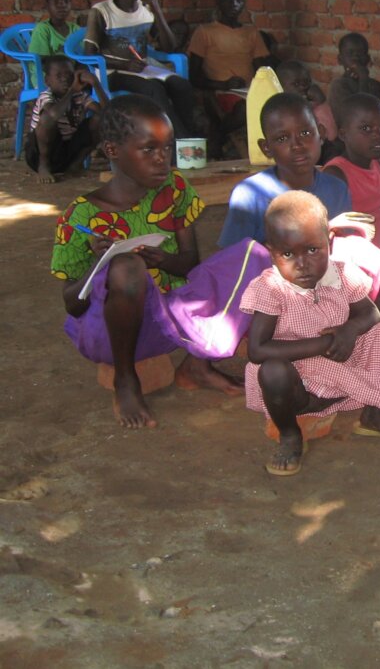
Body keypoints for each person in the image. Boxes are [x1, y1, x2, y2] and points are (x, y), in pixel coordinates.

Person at [51, 95, 270, 429]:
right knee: (126, 268)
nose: (161, 160)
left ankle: (197, 365)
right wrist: (101, 268)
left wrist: (164, 260)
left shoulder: (174, 188)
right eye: (148, 150)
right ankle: (126, 380)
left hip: (171, 323)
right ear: (113, 151)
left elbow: (190, 266)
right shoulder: (81, 215)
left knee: (254, 254)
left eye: (166, 148)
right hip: (109, 333)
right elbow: (72, 304)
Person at [242, 191, 380, 476]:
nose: (302, 264)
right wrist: (325, 343)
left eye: (313, 250)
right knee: (271, 371)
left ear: (328, 242)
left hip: (344, 365)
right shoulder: (271, 288)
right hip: (299, 380)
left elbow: (370, 313)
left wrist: (350, 331)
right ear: (271, 251)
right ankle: (290, 435)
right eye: (288, 254)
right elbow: (257, 350)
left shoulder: (341, 274)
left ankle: (374, 412)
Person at [218, 92, 351, 248]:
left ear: (321, 134)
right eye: (282, 138)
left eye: (305, 133)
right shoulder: (249, 195)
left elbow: (345, 249)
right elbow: (231, 259)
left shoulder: (337, 189)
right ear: (266, 148)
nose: (297, 145)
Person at [84, 0, 197, 137]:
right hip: (112, 72)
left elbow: (170, 47)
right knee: (154, 89)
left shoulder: (146, 11)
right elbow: (89, 55)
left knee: (182, 86)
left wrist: (156, 8)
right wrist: (124, 65)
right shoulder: (101, 11)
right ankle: (178, 143)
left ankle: (187, 138)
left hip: (141, 68)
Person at [188, 0, 271, 158]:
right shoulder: (205, 32)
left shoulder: (251, 33)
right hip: (221, 92)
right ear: (218, 1)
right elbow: (194, 77)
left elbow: (262, 71)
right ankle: (218, 135)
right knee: (244, 108)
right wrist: (223, 85)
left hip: (247, 91)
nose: (234, 4)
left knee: (265, 103)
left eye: (238, 0)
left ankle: (217, 135)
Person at [323, 93, 380, 250]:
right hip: (349, 261)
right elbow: (337, 230)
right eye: (366, 129)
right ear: (343, 134)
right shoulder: (336, 174)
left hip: (378, 257)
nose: (379, 135)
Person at [27, 56, 106, 183]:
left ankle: (76, 165)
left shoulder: (80, 96)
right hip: (40, 154)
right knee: (47, 119)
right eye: (58, 76)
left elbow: (108, 114)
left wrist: (96, 84)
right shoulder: (46, 96)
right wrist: (72, 90)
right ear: (48, 81)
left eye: (69, 75)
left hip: (68, 152)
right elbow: (53, 114)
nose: (65, 79)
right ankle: (44, 166)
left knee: (100, 120)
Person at [275, 59, 335, 151]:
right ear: (280, 87)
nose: (303, 87)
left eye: (307, 82)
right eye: (296, 84)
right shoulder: (277, 112)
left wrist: (322, 103)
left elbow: (331, 135)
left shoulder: (314, 106)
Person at [28, 0, 79, 88]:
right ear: (47, 5)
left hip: (69, 76)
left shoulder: (76, 29)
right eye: (56, 2)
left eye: (66, 1)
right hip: (45, 77)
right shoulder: (43, 29)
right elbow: (41, 60)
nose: (62, 5)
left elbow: (82, 56)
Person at [327, 32, 380, 105]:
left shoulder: (376, 85)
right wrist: (363, 79)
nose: (356, 57)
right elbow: (360, 112)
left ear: (367, 59)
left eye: (361, 53)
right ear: (340, 59)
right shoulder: (338, 86)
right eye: (350, 53)